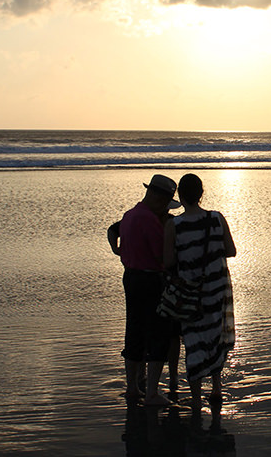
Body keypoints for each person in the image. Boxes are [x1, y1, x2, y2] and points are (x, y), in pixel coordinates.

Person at [163, 173, 236, 411]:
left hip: (190, 293)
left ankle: (196, 399)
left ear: (180, 197)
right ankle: (216, 388)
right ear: (201, 193)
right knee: (215, 337)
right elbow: (231, 250)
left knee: (194, 340)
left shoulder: (174, 225)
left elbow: (168, 261)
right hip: (216, 290)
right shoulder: (217, 218)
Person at [108, 174, 180, 406]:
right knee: (159, 332)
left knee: (134, 330)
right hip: (151, 279)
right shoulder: (149, 220)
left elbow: (113, 233)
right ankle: (151, 392)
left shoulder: (129, 215)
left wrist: (117, 249)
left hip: (131, 277)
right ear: (159, 198)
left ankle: (132, 388)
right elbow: (162, 256)